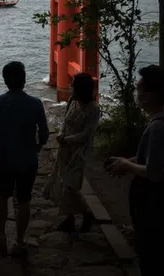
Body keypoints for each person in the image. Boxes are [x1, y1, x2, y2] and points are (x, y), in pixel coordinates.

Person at [105, 65, 164, 275]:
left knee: (151, 257)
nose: (136, 93)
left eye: (140, 89)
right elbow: (156, 158)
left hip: (155, 205)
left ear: (150, 95)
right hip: (159, 203)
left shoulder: (158, 127)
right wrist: (128, 160)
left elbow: (155, 172)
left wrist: (126, 165)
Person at [0, 62, 49, 257]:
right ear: (24, 79)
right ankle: (20, 241)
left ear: (5, 81)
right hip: (28, 160)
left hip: (5, 159)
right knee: (24, 200)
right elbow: (44, 134)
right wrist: (38, 146)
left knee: (2, 196)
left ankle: (1, 236)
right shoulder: (36, 103)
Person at [44, 73, 100, 232]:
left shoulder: (93, 109)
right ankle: (69, 217)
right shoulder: (72, 102)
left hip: (79, 152)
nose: (70, 87)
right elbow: (65, 122)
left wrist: (66, 139)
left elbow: (86, 134)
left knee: (71, 186)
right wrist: (62, 134)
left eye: (73, 85)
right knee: (63, 183)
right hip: (65, 148)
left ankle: (87, 213)